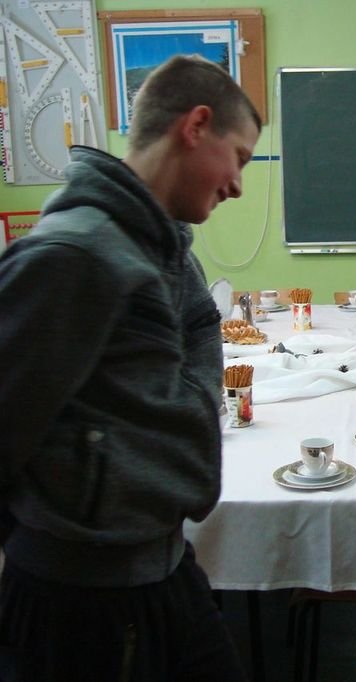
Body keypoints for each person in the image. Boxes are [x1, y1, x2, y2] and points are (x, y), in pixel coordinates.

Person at [0, 55, 261, 680]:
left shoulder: (167, 251)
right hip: (78, 603)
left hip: (163, 568)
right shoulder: (75, 254)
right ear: (195, 125)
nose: (237, 185)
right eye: (240, 158)